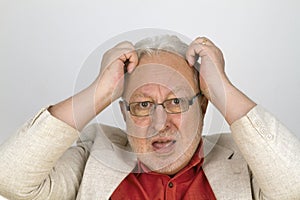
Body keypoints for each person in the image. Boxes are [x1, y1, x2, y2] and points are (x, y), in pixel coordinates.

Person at [0, 34, 299, 200]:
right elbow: (11, 179)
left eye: (176, 102)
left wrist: (222, 88)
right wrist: (99, 91)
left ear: (205, 106)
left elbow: (293, 188)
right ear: (124, 113)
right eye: (143, 105)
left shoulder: (245, 162)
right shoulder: (94, 156)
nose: (160, 123)